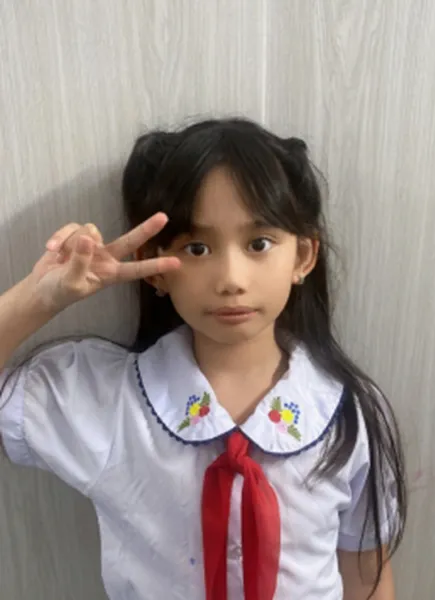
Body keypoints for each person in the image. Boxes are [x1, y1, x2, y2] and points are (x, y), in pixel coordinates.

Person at [0, 117, 406, 600]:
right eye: (197, 248)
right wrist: (40, 297)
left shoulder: (348, 411)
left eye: (259, 244)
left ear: (303, 256)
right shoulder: (106, 400)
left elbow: (366, 576)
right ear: (153, 267)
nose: (231, 278)